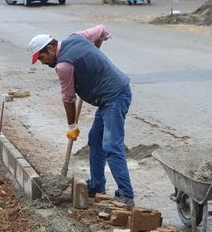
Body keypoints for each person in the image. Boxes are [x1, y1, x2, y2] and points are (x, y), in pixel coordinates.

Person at [29, 25, 135, 208]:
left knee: (111, 146)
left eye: (42, 57)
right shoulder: (76, 37)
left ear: (51, 48)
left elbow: (68, 98)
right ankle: (97, 185)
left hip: (115, 97)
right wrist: (90, 56)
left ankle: (126, 195)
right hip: (106, 100)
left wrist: (72, 126)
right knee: (95, 140)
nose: (42, 62)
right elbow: (101, 31)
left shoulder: (63, 66)